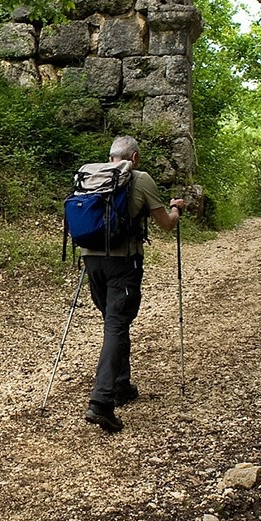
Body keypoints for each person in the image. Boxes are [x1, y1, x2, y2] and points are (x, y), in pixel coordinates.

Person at [80, 135, 185, 433]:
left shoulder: (91, 175)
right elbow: (165, 223)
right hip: (123, 263)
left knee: (113, 322)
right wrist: (177, 209)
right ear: (134, 157)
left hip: (91, 260)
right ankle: (101, 402)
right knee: (116, 325)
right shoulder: (140, 178)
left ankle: (121, 385)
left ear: (111, 156)